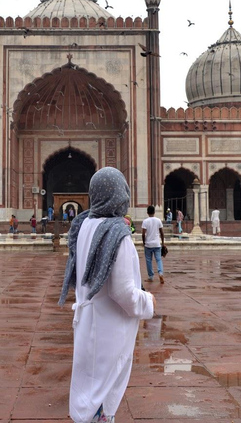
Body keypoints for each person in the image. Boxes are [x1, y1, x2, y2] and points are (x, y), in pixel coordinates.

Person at [59, 167, 155, 423]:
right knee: (102, 394)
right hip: (108, 327)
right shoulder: (117, 234)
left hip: (88, 321)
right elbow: (122, 291)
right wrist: (147, 301)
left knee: (88, 391)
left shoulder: (83, 225)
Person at [141, 205, 165, 283]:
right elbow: (162, 233)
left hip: (148, 244)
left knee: (149, 260)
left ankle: (151, 276)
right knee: (158, 260)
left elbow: (143, 234)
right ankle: (160, 273)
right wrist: (163, 243)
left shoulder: (145, 221)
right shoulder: (158, 220)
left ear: (147, 212)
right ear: (154, 212)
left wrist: (144, 242)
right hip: (157, 244)